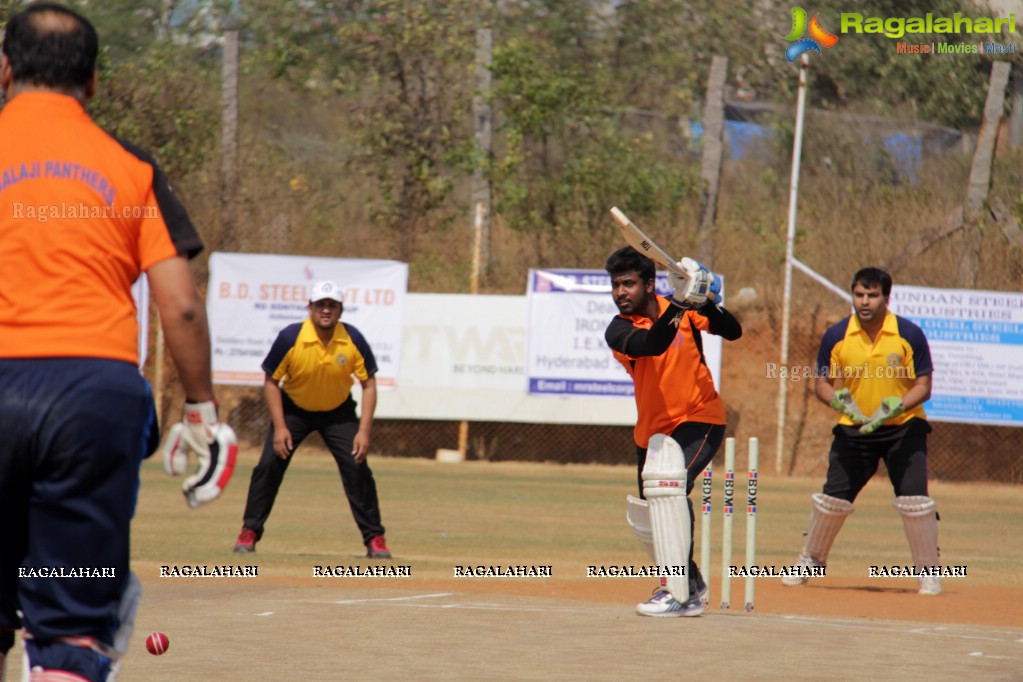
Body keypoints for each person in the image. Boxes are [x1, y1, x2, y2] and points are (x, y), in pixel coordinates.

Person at [0, 4, 236, 681]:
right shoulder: (129, 169)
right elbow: (182, 309)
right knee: (73, 622)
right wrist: (202, 412)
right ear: (94, 81)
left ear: (6, 69)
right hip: (90, 403)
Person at [781, 267, 940, 595]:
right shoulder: (837, 335)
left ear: (886, 297)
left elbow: (923, 385)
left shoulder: (908, 334)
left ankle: (928, 572)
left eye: (872, 295)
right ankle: (811, 559)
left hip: (903, 427)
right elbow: (821, 384)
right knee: (832, 501)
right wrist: (840, 404)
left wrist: (896, 406)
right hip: (853, 429)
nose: (864, 301)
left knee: (915, 501)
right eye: (859, 294)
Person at [604, 247, 742, 617]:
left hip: (701, 417)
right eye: (616, 285)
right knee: (656, 514)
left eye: (629, 284)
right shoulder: (620, 328)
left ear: (650, 285)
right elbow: (653, 344)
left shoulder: (683, 311)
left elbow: (733, 331)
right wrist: (682, 304)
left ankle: (675, 592)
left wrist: (706, 298)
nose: (621, 292)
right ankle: (691, 585)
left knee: (671, 485)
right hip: (652, 435)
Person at [233, 280, 392, 559]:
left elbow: (369, 384)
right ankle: (249, 532)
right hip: (294, 410)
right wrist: (281, 427)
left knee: (357, 467)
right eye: (321, 305)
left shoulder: (353, 338)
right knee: (269, 465)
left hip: (338, 411)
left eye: (332, 305)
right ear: (310, 308)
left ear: (341, 310)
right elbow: (271, 381)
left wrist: (364, 431)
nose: (326, 310)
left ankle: (375, 539)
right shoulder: (290, 337)